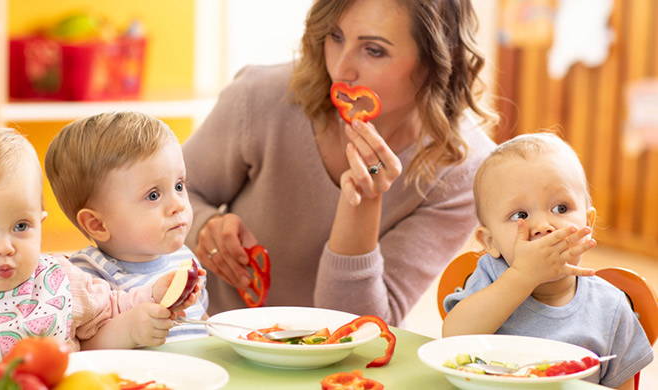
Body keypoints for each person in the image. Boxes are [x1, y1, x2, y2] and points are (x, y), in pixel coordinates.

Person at [182, 0, 497, 323]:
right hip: (215, 340)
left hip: (341, 366)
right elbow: (166, 194)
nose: (342, 69)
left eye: (374, 50)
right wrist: (204, 227)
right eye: (335, 36)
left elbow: (361, 328)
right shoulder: (260, 97)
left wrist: (362, 204)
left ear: (437, 60)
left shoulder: (463, 171)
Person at [0, 124, 199, 387]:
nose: (5, 246)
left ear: (40, 222)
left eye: (21, 225)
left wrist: (155, 294)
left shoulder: (62, 280)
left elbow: (115, 305)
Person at [442, 133, 653, 389]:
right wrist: (522, 276)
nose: (543, 226)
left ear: (588, 223)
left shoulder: (611, 307)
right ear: (490, 242)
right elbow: (453, 338)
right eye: (520, 214)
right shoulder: (490, 277)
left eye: (560, 209)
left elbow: (622, 382)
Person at [45, 112, 209, 340]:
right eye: (153, 195)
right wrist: (128, 331)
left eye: (179, 186)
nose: (177, 205)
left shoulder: (183, 259)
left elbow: (201, 321)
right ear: (97, 224)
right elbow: (79, 348)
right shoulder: (86, 275)